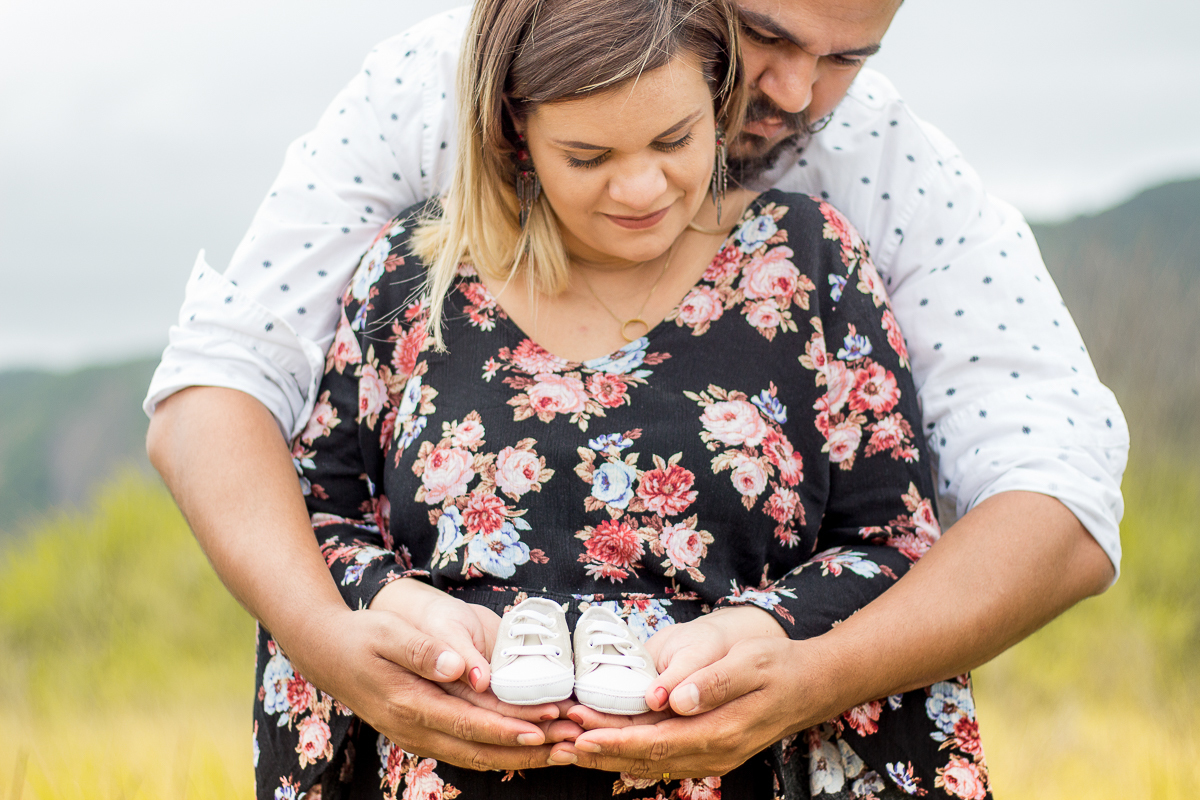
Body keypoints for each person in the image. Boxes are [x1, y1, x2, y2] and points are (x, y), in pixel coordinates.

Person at [145, 0, 1126, 789]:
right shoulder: (423, 120)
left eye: (847, 58)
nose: (794, 89)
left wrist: (805, 669)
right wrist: (337, 639)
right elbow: (220, 389)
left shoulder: (868, 194)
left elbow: (1057, 495)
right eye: (771, 36)